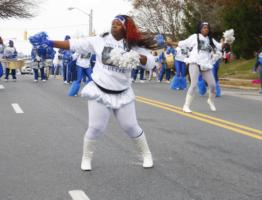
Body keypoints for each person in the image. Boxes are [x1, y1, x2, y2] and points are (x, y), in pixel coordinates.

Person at [30, 15, 157, 170]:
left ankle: (146, 154)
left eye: (118, 24)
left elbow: (150, 63)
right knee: (96, 127)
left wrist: (139, 57)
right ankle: (86, 158)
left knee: (130, 126)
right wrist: (50, 42)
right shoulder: (100, 40)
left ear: (126, 28)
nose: (114, 26)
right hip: (100, 91)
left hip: (123, 93)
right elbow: (75, 44)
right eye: (112, 23)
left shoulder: (133, 45)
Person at [171, 22, 224, 112]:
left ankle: (210, 100)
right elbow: (182, 43)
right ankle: (186, 106)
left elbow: (220, 46)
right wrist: (171, 42)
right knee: (193, 85)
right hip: (194, 62)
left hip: (205, 64)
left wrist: (225, 41)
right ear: (200, 29)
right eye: (204, 27)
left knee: (212, 85)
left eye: (207, 28)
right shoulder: (194, 37)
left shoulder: (210, 39)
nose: (206, 29)